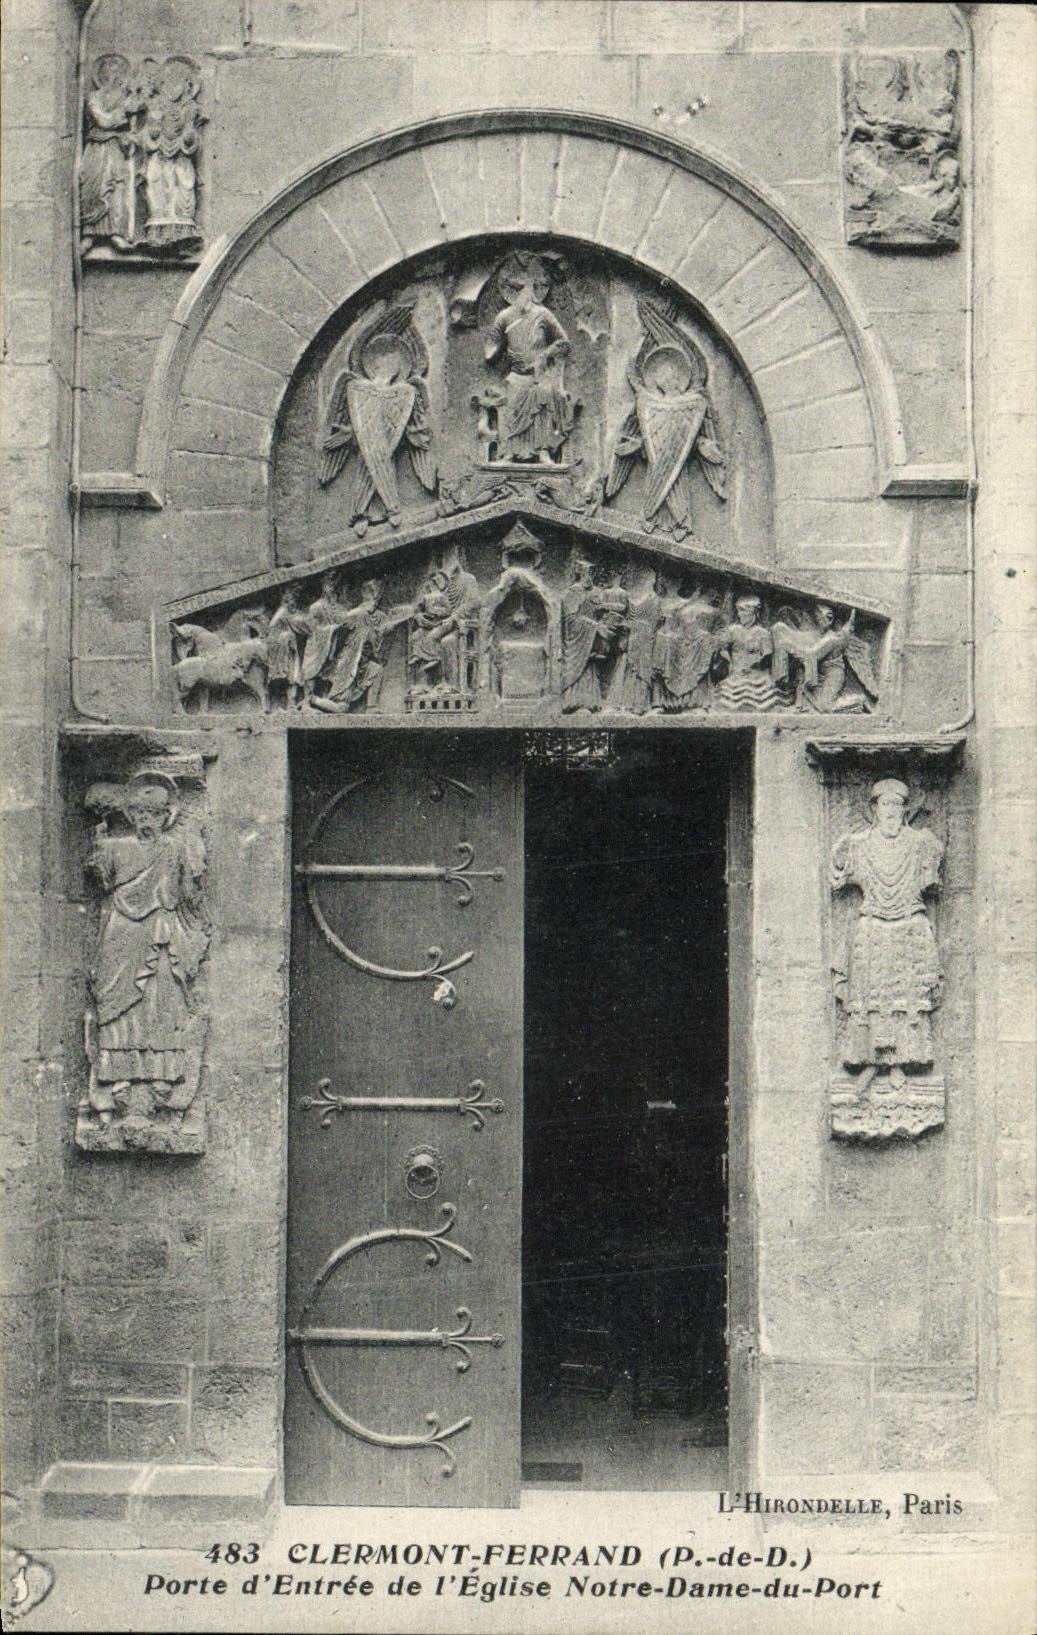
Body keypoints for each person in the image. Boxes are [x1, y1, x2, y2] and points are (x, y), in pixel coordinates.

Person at [86, 775, 209, 1120]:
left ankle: (161, 1078)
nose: (145, 820)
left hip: (159, 934)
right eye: (139, 813)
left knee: (161, 1001)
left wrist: (195, 852)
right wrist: (98, 844)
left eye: (153, 813)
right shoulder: (115, 846)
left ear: (164, 816)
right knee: (116, 1004)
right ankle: (117, 1079)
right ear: (131, 814)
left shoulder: (174, 847)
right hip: (120, 935)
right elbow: (102, 879)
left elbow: (189, 894)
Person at [830, 779, 944, 1092]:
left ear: (906, 810)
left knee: (906, 997)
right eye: (885, 805)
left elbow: (932, 873)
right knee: (868, 996)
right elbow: (838, 864)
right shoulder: (859, 844)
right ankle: (868, 1061)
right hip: (873, 925)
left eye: (897, 805)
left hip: (909, 924)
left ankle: (899, 1063)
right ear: (874, 809)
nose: (890, 811)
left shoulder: (922, 844)